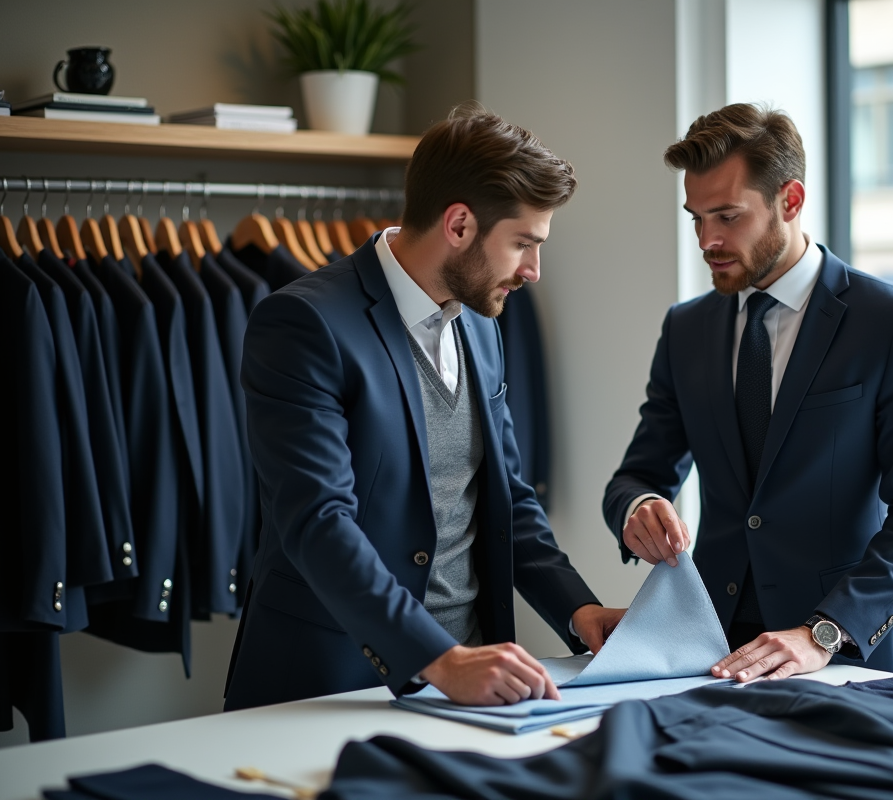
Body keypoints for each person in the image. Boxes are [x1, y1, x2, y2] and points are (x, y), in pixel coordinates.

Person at [225, 105, 624, 711]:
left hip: (471, 688)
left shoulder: (480, 323)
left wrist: (580, 608)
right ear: (459, 225)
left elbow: (505, 496)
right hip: (331, 684)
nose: (533, 271)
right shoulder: (303, 324)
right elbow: (318, 522)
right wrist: (438, 660)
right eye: (523, 244)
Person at [602, 103, 893, 682]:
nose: (707, 239)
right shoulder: (686, 329)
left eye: (727, 216)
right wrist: (638, 509)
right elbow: (637, 475)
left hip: (845, 655)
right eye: (696, 218)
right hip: (711, 655)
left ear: (789, 201)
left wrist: (825, 631)